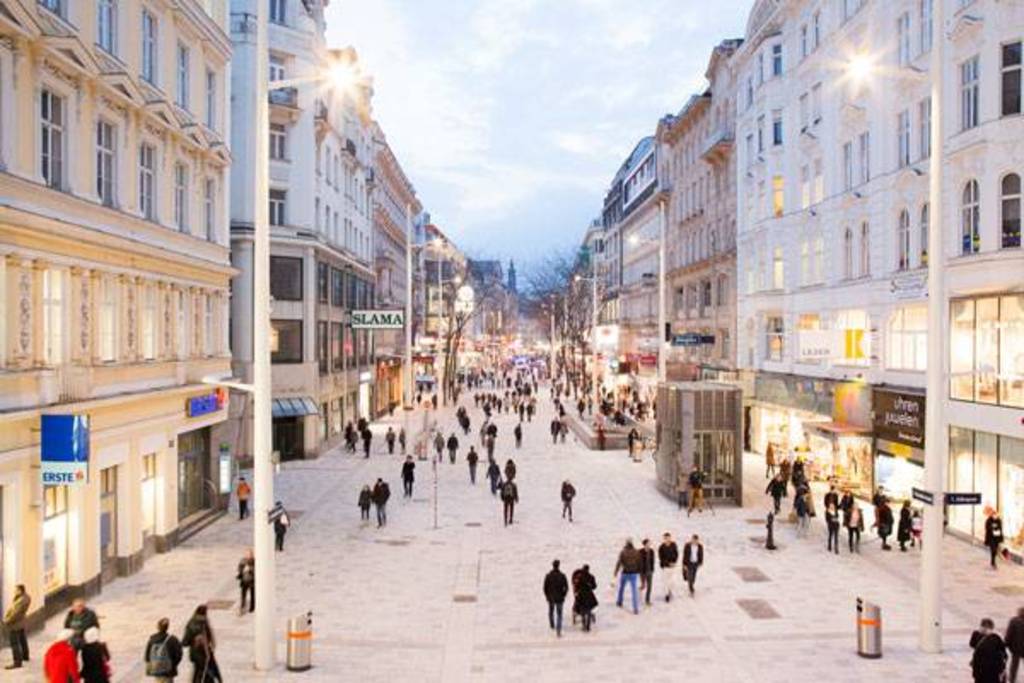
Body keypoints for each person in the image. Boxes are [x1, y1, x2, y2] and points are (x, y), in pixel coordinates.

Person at [145, 617, 184, 681]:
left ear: (158, 627)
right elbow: (179, 654)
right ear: (167, 627)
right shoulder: (172, 639)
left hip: (156, 669)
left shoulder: (152, 639)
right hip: (168, 670)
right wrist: (173, 664)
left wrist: (154, 663)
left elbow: (147, 657)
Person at [3, 583, 31, 669]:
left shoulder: (21, 600)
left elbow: (16, 613)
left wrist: (7, 620)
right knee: (22, 640)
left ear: (20, 590)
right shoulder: (25, 598)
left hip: (16, 624)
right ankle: (25, 656)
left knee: (14, 643)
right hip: (21, 622)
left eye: (15, 590)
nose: (14, 591)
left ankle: (17, 662)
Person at [971, 618, 1007, 683]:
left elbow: (972, 644)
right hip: (992, 673)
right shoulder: (996, 638)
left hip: (981, 673)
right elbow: (1004, 655)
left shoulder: (977, 636)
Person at [613, 539, 641, 614]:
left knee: (621, 588)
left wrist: (615, 572)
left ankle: (619, 601)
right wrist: (638, 571)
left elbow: (619, 563)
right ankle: (635, 608)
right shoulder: (636, 552)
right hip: (634, 574)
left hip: (625, 573)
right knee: (634, 591)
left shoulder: (623, 552)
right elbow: (639, 562)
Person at [543, 560, 569, 637]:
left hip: (551, 597)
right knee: (559, 614)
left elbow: (545, 588)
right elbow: (566, 587)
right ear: (559, 565)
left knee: (551, 612)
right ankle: (558, 630)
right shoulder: (562, 576)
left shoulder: (548, 576)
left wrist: (547, 596)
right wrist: (564, 595)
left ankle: (552, 625)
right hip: (560, 598)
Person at [573, 565, 598, 632]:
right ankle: (588, 626)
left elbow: (576, 586)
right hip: (589, 595)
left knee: (582, 610)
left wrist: (576, 593)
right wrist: (590, 585)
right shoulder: (591, 577)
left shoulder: (579, 576)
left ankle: (584, 625)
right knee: (589, 610)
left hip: (581, 595)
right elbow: (594, 587)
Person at [658, 533, 680, 602]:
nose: (667, 539)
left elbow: (676, 554)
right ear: (664, 539)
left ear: (670, 538)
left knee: (673, 581)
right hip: (665, 567)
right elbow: (661, 558)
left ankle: (670, 590)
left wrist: (674, 562)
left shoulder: (674, 544)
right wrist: (668, 563)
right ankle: (666, 595)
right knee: (665, 582)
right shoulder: (661, 547)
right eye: (666, 538)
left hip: (673, 566)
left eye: (669, 538)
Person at [1005, 607, 1024, 683]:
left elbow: (1009, 634)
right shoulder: (1014, 621)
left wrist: (1006, 643)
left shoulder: (1014, 621)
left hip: (1016, 647)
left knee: (1014, 665)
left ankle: (1012, 679)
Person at [639, 539, 656, 606]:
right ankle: (640, 590)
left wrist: (652, 569)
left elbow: (653, 561)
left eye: (650, 543)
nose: (649, 544)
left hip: (650, 571)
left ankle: (647, 600)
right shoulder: (640, 551)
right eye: (648, 543)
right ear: (645, 544)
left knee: (649, 586)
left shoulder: (652, 551)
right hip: (642, 572)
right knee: (643, 585)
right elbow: (638, 561)